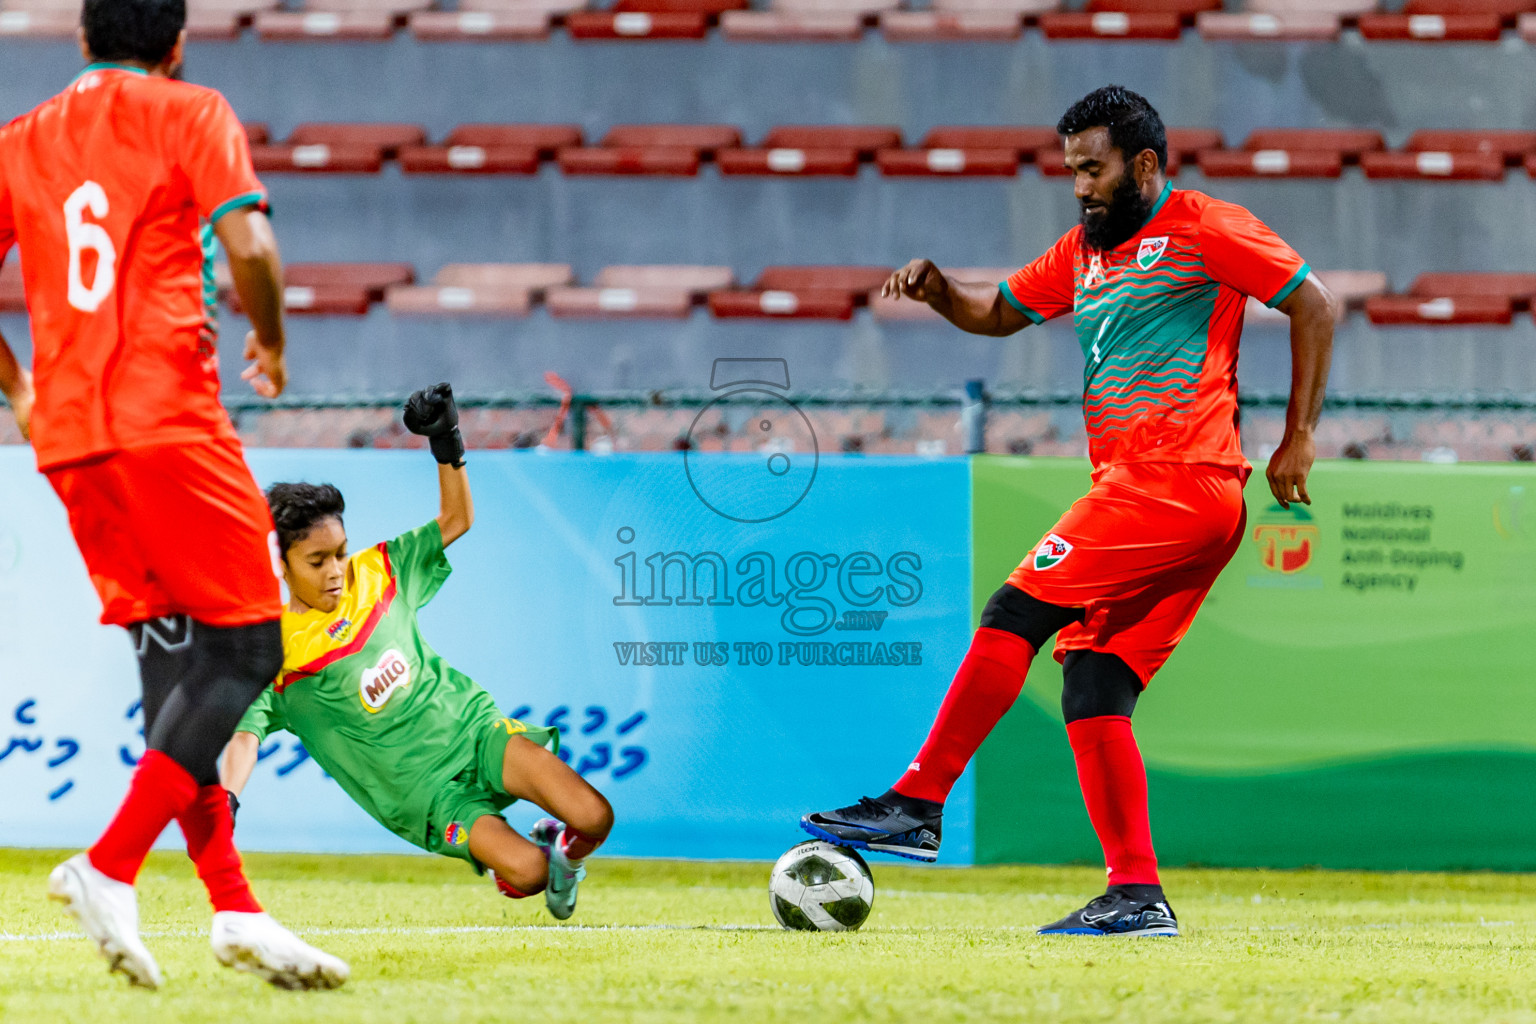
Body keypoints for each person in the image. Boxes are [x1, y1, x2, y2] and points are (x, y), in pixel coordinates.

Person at [801, 86, 1336, 937]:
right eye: (1072, 172)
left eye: (1095, 169)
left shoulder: (1205, 226)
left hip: (1175, 479)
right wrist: (943, 291)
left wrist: (1297, 438)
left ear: (1145, 165)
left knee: (1016, 608)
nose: (1081, 186)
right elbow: (996, 313)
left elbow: (1313, 301)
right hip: (1166, 497)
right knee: (1095, 680)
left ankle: (917, 801)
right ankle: (1137, 893)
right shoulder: (1083, 253)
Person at [0, 0, 348, 991]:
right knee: (250, 645)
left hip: (72, 440)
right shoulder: (191, 111)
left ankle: (235, 910)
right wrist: (273, 343)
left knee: (175, 670)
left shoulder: (18, 140)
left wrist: (23, 392)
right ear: (177, 42)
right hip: (166, 420)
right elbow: (253, 251)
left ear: (81, 41)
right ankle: (110, 865)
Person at [221, 383, 614, 921]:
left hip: (474, 733)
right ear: (282, 564)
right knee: (528, 874)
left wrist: (447, 442)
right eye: (317, 561)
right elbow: (246, 735)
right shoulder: (273, 652)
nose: (336, 570)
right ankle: (542, 863)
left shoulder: (378, 571)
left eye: (339, 552)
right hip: (424, 796)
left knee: (595, 817)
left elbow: (455, 522)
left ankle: (565, 853)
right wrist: (226, 800)